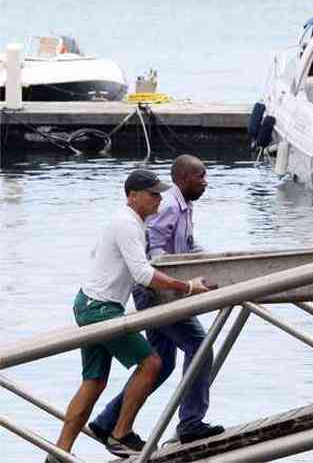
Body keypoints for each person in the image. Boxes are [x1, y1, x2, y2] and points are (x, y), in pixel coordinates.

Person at [50, 170, 211, 461]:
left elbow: (100, 255)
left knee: (94, 382)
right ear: (132, 196)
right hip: (100, 309)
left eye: (160, 193)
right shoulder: (127, 223)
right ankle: (121, 434)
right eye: (153, 194)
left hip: (89, 303)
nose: (159, 199)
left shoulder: (126, 223)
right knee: (151, 363)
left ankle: (58, 453)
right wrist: (186, 287)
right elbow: (142, 274)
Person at [89, 155, 224, 446]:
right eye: (200, 177)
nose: (205, 182)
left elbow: (186, 246)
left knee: (161, 364)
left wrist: (215, 261)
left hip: (165, 290)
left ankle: (106, 422)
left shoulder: (183, 207)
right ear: (183, 178)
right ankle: (191, 423)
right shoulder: (170, 207)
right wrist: (186, 285)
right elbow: (153, 253)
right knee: (200, 347)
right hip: (158, 292)